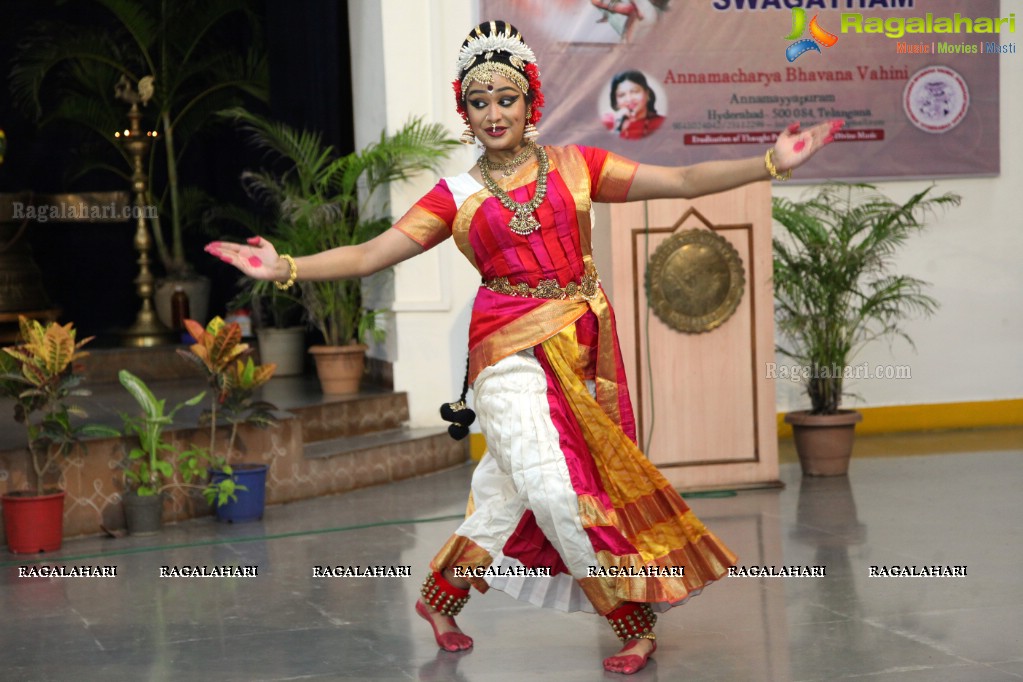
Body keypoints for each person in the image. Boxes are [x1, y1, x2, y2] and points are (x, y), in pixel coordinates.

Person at [206, 20, 843, 676]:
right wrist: (285, 267)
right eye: (478, 102)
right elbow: (371, 253)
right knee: (555, 487)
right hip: (505, 350)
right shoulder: (454, 197)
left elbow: (680, 183)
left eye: (505, 99)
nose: (493, 114)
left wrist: (769, 163)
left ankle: (439, 597)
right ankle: (630, 617)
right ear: (465, 111)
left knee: (510, 488)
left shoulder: (577, 168)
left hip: (579, 344)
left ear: (528, 102)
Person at [603, 70, 665, 140]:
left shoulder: (661, 123)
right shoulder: (606, 121)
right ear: (616, 100)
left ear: (647, 94)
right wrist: (618, 126)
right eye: (621, 95)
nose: (629, 99)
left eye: (635, 92)